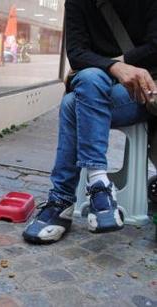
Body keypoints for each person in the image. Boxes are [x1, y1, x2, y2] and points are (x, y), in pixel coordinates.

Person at [23, 0, 157, 244]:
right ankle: (99, 184)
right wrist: (115, 67)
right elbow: (76, 54)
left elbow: (155, 45)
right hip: (94, 84)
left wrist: (124, 61)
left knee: (71, 104)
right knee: (87, 80)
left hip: (143, 90)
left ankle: (61, 200)